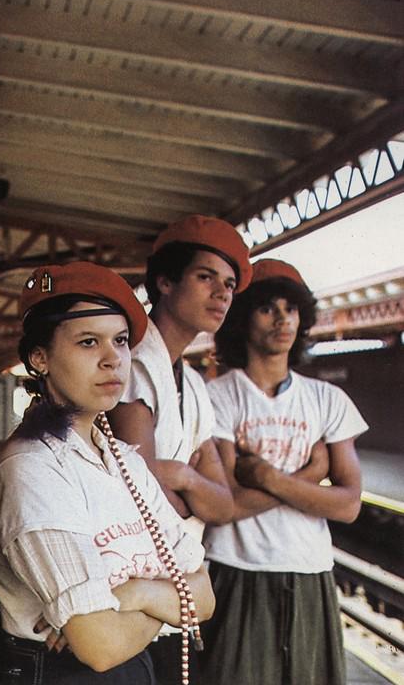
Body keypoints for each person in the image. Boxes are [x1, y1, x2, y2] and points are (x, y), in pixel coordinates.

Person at [0, 261, 214, 685]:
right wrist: (162, 602)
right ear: (40, 357)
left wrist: (135, 594)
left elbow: (206, 596)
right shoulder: (31, 471)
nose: (113, 360)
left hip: (133, 668)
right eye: (89, 342)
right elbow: (99, 646)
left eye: (121, 341)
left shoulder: (124, 461)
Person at [199, 259, 365, 685]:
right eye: (267, 308)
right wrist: (310, 475)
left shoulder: (327, 399)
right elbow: (226, 506)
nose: (282, 320)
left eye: (291, 309)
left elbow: (348, 505)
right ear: (242, 318)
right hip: (235, 571)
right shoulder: (216, 398)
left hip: (309, 571)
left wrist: (268, 478)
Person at [105, 215, 249, 682]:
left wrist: (184, 477)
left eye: (228, 284)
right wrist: (189, 494)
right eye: (206, 277)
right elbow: (137, 487)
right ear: (165, 281)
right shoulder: (134, 362)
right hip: (129, 592)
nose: (222, 294)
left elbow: (225, 504)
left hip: (170, 590)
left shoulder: (193, 383)